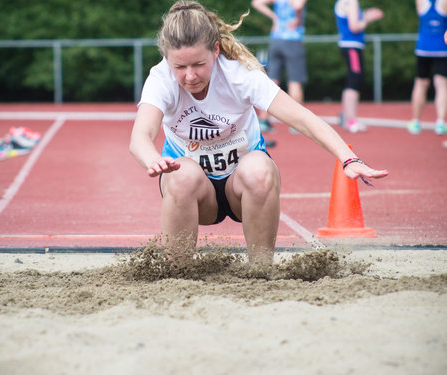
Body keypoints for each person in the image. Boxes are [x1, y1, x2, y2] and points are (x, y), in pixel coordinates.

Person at [129, 0, 388, 265]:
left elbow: (302, 118)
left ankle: (261, 270)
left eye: (198, 64)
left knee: (259, 170)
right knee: (181, 175)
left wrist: (348, 158)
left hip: (242, 186)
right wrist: (152, 158)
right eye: (180, 67)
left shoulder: (239, 74)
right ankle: (177, 273)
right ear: (167, 59)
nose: (190, 76)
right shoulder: (161, 79)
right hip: (195, 192)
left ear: (216, 50)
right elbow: (140, 136)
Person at [251, 0, 308, 137]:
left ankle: (264, 121)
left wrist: (274, 17)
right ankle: (296, 123)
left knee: (272, 80)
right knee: (294, 81)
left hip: (276, 40)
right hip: (293, 40)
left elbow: (256, 3)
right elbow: (298, 6)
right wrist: (298, 16)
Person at [334, 0, 384, 133]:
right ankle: (350, 120)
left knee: (352, 81)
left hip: (349, 46)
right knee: (354, 81)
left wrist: (366, 14)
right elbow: (354, 26)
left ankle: (347, 118)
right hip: (352, 46)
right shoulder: (352, 2)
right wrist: (368, 18)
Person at [407, 0, 447, 136]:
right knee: (441, 84)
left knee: (421, 83)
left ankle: (415, 121)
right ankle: (440, 122)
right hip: (441, 49)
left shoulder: (422, 2)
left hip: (424, 48)